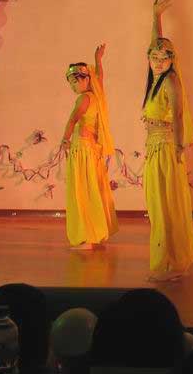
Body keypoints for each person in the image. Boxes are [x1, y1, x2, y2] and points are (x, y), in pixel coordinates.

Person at [142, 0, 193, 281]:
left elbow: (176, 115)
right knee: (157, 205)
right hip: (154, 147)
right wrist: (156, 17)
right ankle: (166, 260)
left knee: (167, 205)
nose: (158, 61)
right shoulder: (156, 79)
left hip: (165, 148)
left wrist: (177, 148)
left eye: (163, 58)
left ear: (172, 60)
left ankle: (171, 262)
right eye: (154, 57)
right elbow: (155, 42)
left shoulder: (171, 80)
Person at [60, 44, 118, 249]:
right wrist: (98, 59)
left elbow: (72, 119)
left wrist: (65, 139)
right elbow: (100, 76)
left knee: (83, 192)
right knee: (92, 189)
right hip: (90, 149)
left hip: (83, 150)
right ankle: (95, 233)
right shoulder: (96, 96)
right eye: (71, 83)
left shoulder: (84, 98)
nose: (73, 87)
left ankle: (88, 236)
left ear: (84, 79)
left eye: (74, 82)